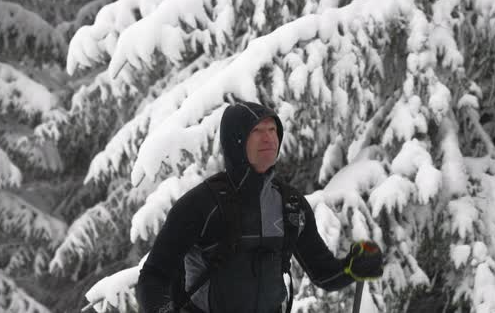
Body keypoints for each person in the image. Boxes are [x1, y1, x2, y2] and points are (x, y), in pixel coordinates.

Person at [136, 101, 383, 313]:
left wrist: (354, 267)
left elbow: (324, 273)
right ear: (236, 141)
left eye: (273, 129)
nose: (268, 137)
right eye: (257, 130)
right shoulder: (202, 204)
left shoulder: (290, 204)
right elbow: (153, 277)